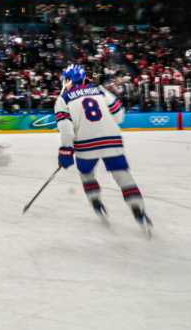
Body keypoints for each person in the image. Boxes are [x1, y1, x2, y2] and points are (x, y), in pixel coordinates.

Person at [54, 64, 152, 234]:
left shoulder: (63, 99)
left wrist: (65, 151)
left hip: (85, 145)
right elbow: (119, 116)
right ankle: (138, 209)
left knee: (86, 174)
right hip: (112, 140)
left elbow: (66, 130)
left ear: (70, 80)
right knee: (123, 175)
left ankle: (96, 202)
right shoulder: (100, 90)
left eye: (66, 79)